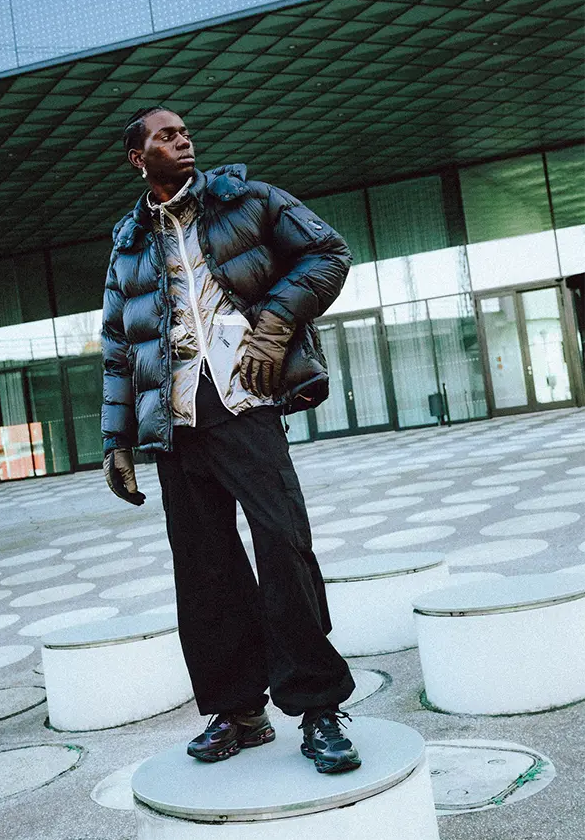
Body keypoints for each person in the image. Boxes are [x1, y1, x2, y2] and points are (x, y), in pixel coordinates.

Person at [101, 105, 360, 774]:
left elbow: (329, 253)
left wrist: (275, 325)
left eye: (185, 132)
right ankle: (238, 710)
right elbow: (118, 344)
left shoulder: (249, 199)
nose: (182, 141)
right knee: (204, 571)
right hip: (175, 422)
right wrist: (116, 439)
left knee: (283, 547)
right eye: (166, 136)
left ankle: (318, 707)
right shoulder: (128, 241)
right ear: (138, 158)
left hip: (245, 401)